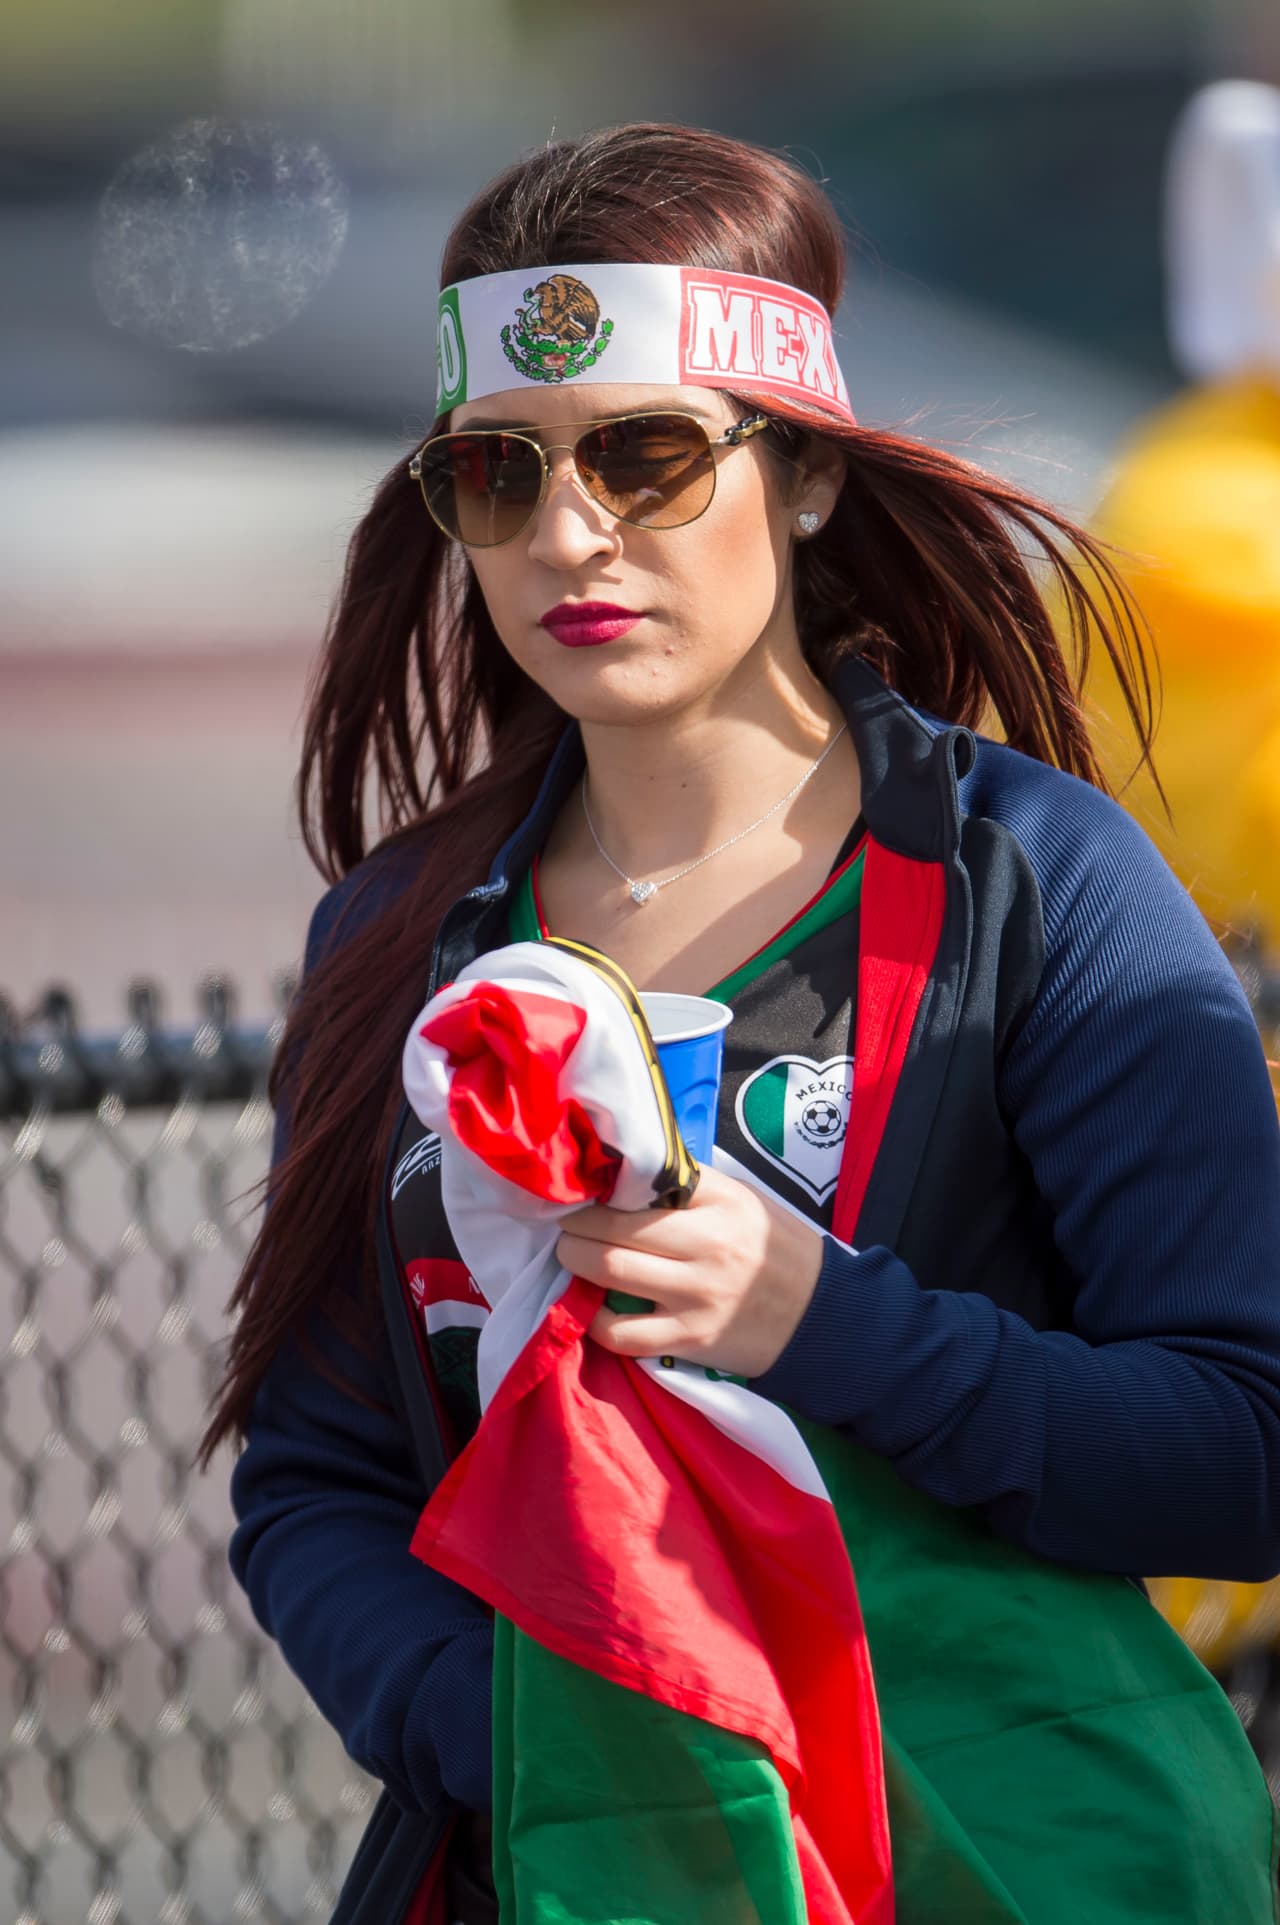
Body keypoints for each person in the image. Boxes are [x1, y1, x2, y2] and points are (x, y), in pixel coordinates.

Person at [201, 123, 1280, 1923]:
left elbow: (1246, 1451)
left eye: (645, 455)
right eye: (498, 472)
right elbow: (314, 1484)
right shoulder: (399, 939)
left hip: (1015, 1859)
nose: (568, 534)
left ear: (802, 478)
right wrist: (565, 1739)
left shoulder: (1037, 885)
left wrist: (814, 1316)